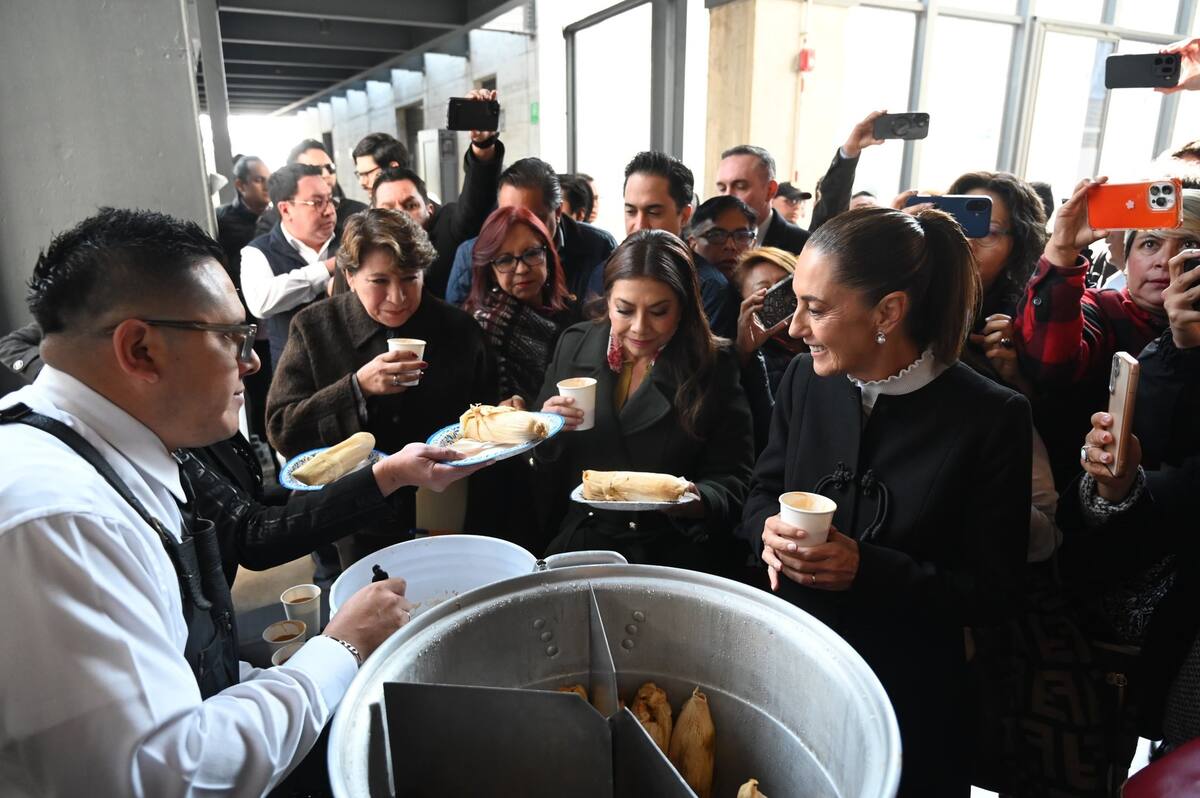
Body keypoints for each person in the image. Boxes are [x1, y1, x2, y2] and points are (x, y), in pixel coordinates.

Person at [0, 207, 477, 796]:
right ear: (140, 349)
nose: (251, 362)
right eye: (230, 337)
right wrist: (340, 647)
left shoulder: (114, 456)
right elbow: (171, 773)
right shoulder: (59, 518)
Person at [743, 207, 1032, 796]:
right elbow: (760, 494)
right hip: (800, 668)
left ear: (889, 311)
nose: (795, 327)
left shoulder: (990, 417)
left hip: (911, 697)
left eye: (816, 309)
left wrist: (867, 569)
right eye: (797, 302)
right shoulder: (804, 380)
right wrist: (766, 534)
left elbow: (996, 593)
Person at [266, 208, 496, 567]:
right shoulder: (315, 327)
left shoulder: (460, 330)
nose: (397, 297)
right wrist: (356, 388)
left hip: (445, 513)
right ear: (350, 276)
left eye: (409, 278)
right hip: (350, 516)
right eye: (379, 281)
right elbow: (282, 428)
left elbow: (486, 419)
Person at [533, 230, 755, 572]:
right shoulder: (574, 344)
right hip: (585, 540)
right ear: (607, 301)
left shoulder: (712, 363)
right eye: (624, 310)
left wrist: (698, 500)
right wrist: (546, 431)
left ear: (683, 307)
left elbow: (735, 478)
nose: (639, 327)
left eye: (658, 311)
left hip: (671, 549)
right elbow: (544, 468)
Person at [1013, 179, 1200, 486]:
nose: (1165, 261)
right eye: (1150, 243)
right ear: (1125, 262)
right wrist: (1061, 252)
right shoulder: (1103, 310)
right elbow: (1052, 366)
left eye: (1189, 245)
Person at [369, 108, 505, 299]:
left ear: (430, 209)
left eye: (410, 206)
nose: (400, 215)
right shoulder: (365, 248)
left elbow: (474, 205)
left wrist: (483, 145)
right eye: (388, 209)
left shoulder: (448, 229)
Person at [445, 158, 616, 309]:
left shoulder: (598, 247)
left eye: (531, 218)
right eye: (506, 215)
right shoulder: (473, 254)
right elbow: (456, 328)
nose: (518, 227)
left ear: (557, 212)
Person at [464, 205, 575, 406]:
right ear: (490, 270)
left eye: (531, 253)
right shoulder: (485, 327)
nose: (522, 269)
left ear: (547, 256)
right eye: (505, 260)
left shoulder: (570, 310)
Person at [240, 163, 342, 366]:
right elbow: (261, 302)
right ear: (286, 209)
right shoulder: (258, 252)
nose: (329, 211)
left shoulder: (350, 239)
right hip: (294, 372)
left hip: (350, 366)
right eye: (317, 202)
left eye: (330, 200)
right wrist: (327, 268)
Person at [254, 138, 367, 239]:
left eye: (329, 168)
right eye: (314, 169)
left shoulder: (358, 213)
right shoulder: (272, 224)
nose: (326, 174)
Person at [715, 144, 809, 253]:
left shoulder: (804, 246)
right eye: (722, 188)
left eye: (740, 187)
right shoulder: (707, 241)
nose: (727, 196)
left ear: (770, 190)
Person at [806, 110, 887, 230]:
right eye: (861, 208)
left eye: (876, 211)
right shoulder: (827, 241)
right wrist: (850, 151)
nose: (869, 215)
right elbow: (832, 207)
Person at [215, 155, 271, 283]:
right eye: (259, 180)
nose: (267, 186)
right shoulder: (222, 220)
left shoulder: (278, 217)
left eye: (269, 180)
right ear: (241, 185)